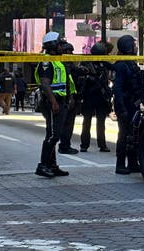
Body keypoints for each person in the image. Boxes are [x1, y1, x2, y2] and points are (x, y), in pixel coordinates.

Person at [34, 32, 77, 178]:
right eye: (59, 44)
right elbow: (45, 84)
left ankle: (52, 165)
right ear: (52, 45)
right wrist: (53, 102)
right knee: (53, 135)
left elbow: (65, 81)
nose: (61, 46)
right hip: (52, 103)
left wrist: (69, 97)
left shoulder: (57, 60)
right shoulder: (47, 61)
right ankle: (43, 165)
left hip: (61, 101)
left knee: (53, 135)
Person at [113, 34, 144, 175]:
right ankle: (120, 164)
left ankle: (132, 163)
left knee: (133, 134)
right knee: (124, 135)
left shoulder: (131, 63)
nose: (135, 48)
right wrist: (121, 108)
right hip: (125, 105)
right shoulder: (121, 65)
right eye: (133, 45)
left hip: (134, 104)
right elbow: (118, 89)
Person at [79, 42, 113, 153]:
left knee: (101, 122)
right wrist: (88, 78)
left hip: (101, 96)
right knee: (87, 121)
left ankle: (102, 144)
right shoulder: (87, 63)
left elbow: (113, 68)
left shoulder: (104, 63)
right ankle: (84, 144)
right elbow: (80, 76)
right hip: (89, 95)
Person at [58, 40, 81, 155]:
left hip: (69, 97)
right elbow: (69, 82)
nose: (71, 53)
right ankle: (64, 145)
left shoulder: (67, 64)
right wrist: (71, 97)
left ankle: (65, 144)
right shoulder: (65, 65)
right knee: (67, 124)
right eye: (69, 51)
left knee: (66, 123)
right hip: (67, 98)